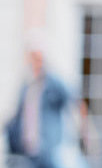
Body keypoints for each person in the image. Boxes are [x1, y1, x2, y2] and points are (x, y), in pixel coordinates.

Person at [5, 39, 83, 168]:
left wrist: (84, 132)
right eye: (33, 57)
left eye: (38, 57)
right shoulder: (27, 85)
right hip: (28, 152)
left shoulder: (53, 82)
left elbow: (75, 101)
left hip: (49, 150)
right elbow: (18, 115)